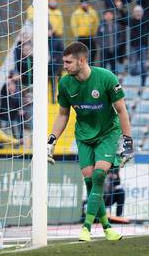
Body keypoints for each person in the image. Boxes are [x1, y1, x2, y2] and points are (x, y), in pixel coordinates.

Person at [47, 42, 134, 242]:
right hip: (84, 135)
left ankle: (85, 227)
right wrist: (51, 140)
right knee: (89, 180)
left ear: (82, 60)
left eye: (69, 62)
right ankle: (107, 228)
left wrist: (127, 140)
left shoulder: (106, 78)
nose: (65, 66)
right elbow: (62, 114)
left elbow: (121, 110)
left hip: (108, 133)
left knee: (99, 175)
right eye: (64, 62)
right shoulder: (65, 83)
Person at [70, 0, 100, 64]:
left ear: (88, 4)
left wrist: (94, 33)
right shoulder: (76, 13)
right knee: (80, 52)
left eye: (86, 3)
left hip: (90, 36)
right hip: (81, 37)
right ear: (80, 4)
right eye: (83, 3)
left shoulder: (92, 12)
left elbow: (96, 23)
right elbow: (73, 24)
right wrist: (76, 34)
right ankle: (80, 65)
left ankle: (91, 65)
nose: (84, 5)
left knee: (93, 51)